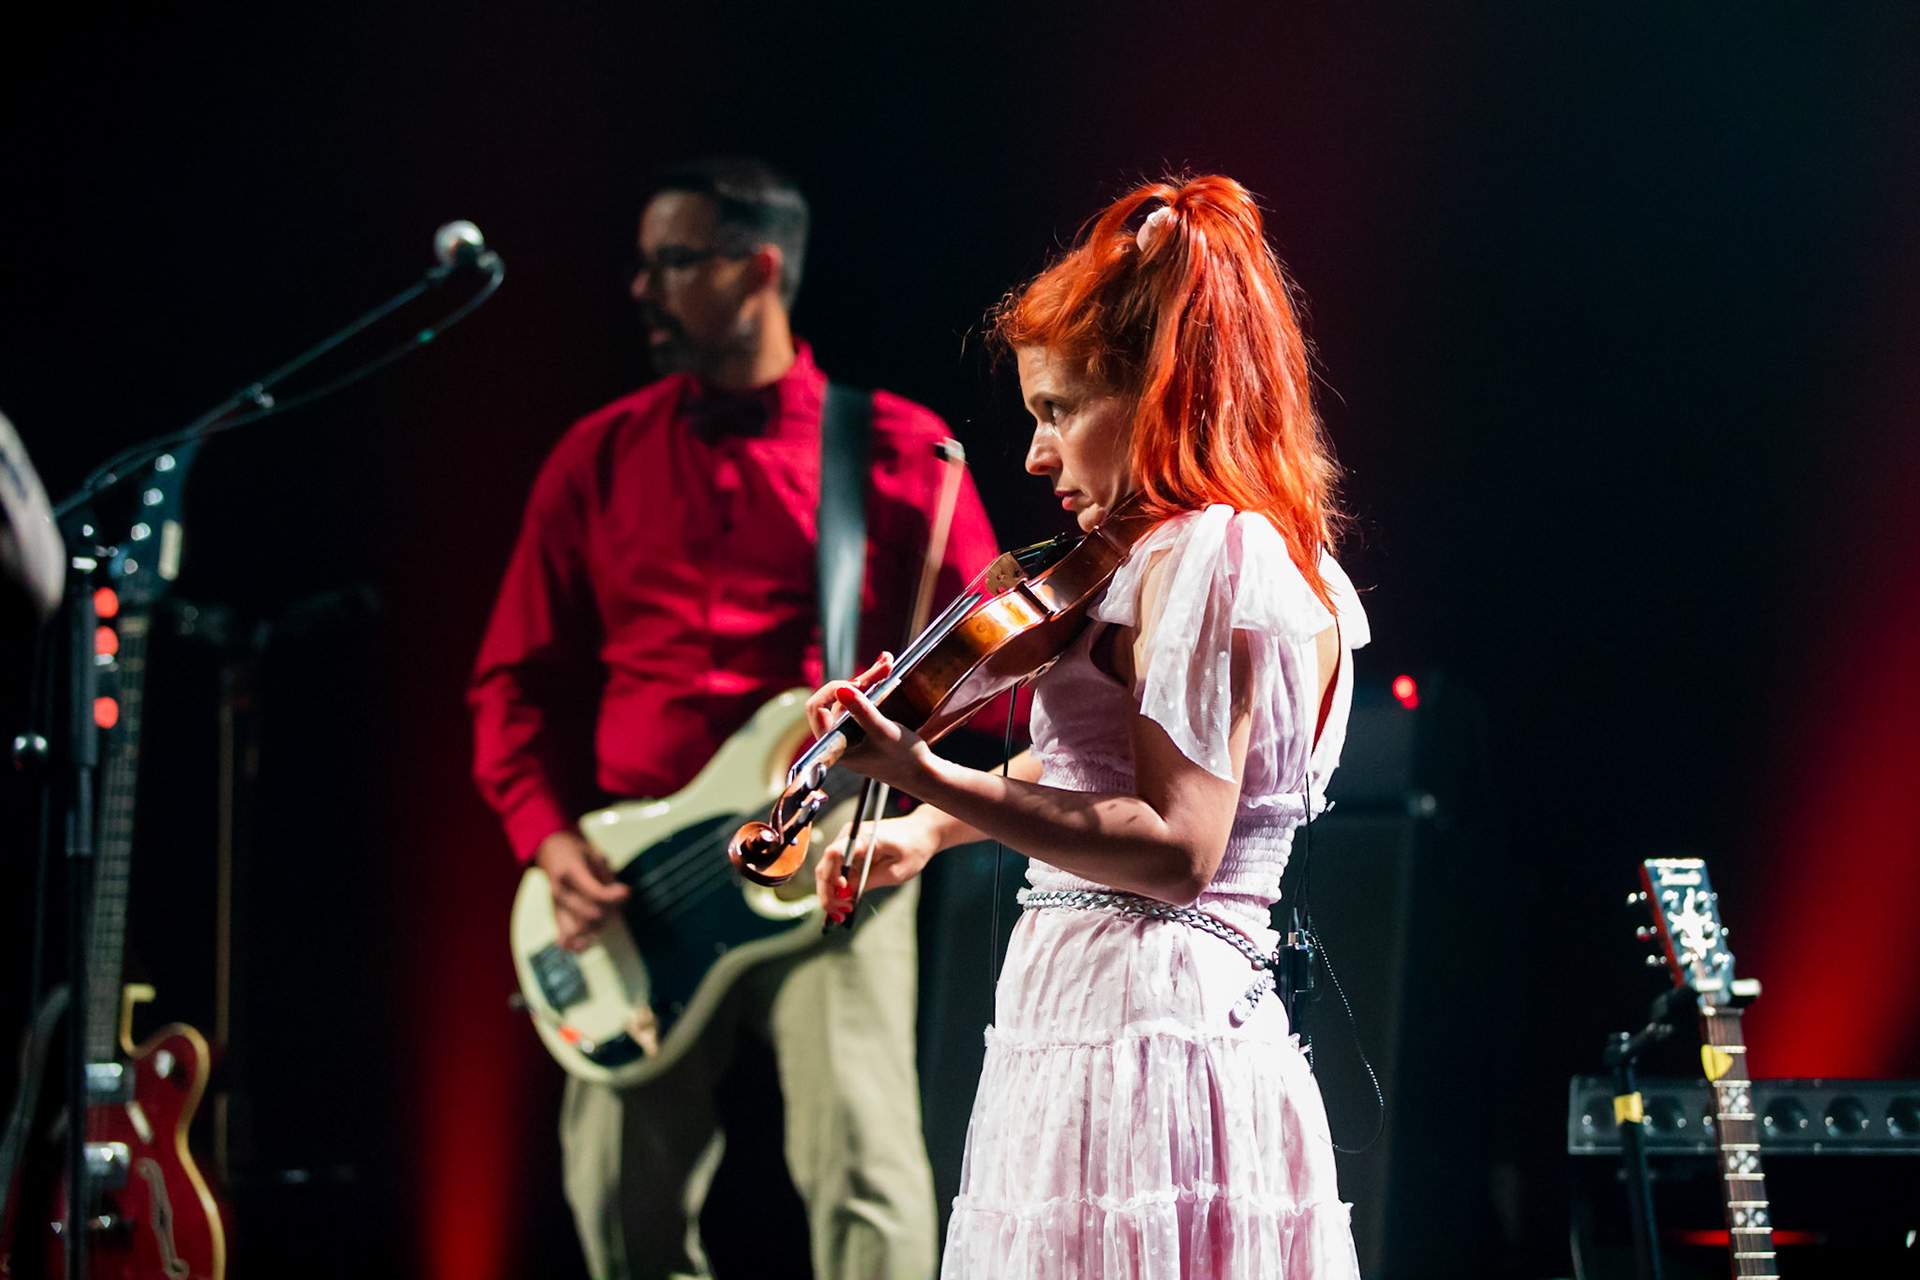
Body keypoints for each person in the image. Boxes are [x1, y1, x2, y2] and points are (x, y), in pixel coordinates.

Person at [806, 175, 1369, 1279]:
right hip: (1101, 1017)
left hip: (1149, 1029)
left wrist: (927, 773)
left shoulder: (1215, 556)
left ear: (1162, 395)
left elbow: (1177, 846)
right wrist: (927, 831)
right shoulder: (1175, 556)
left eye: (1058, 410)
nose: (1034, 454)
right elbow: (1095, 762)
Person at [468, 157, 1002, 1280]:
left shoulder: (902, 450)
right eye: (645, 263)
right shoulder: (595, 455)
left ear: (759, 269)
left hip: (833, 849)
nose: (642, 289)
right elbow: (508, 684)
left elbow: (997, 666)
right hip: (639, 880)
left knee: (867, 1175)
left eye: (672, 262)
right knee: (615, 1195)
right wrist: (548, 843)